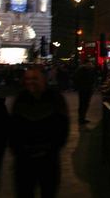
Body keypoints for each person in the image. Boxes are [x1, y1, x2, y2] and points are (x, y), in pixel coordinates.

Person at [10, 66, 69, 198]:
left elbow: (63, 129)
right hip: (24, 160)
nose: (30, 82)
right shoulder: (20, 99)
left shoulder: (55, 98)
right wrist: (18, 150)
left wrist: (51, 148)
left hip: (48, 159)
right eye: (28, 79)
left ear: (43, 79)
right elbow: (12, 129)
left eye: (34, 78)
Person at [72, 60, 98, 124]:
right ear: (85, 64)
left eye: (90, 64)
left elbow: (93, 79)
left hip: (88, 89)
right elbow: (76, 79)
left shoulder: (89, 70)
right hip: (83, 89)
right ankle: (81, 118)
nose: (90, 65)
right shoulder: (81, 71)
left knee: (85, 104)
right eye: (89, 64)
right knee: (83, 104)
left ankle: (82, 118)